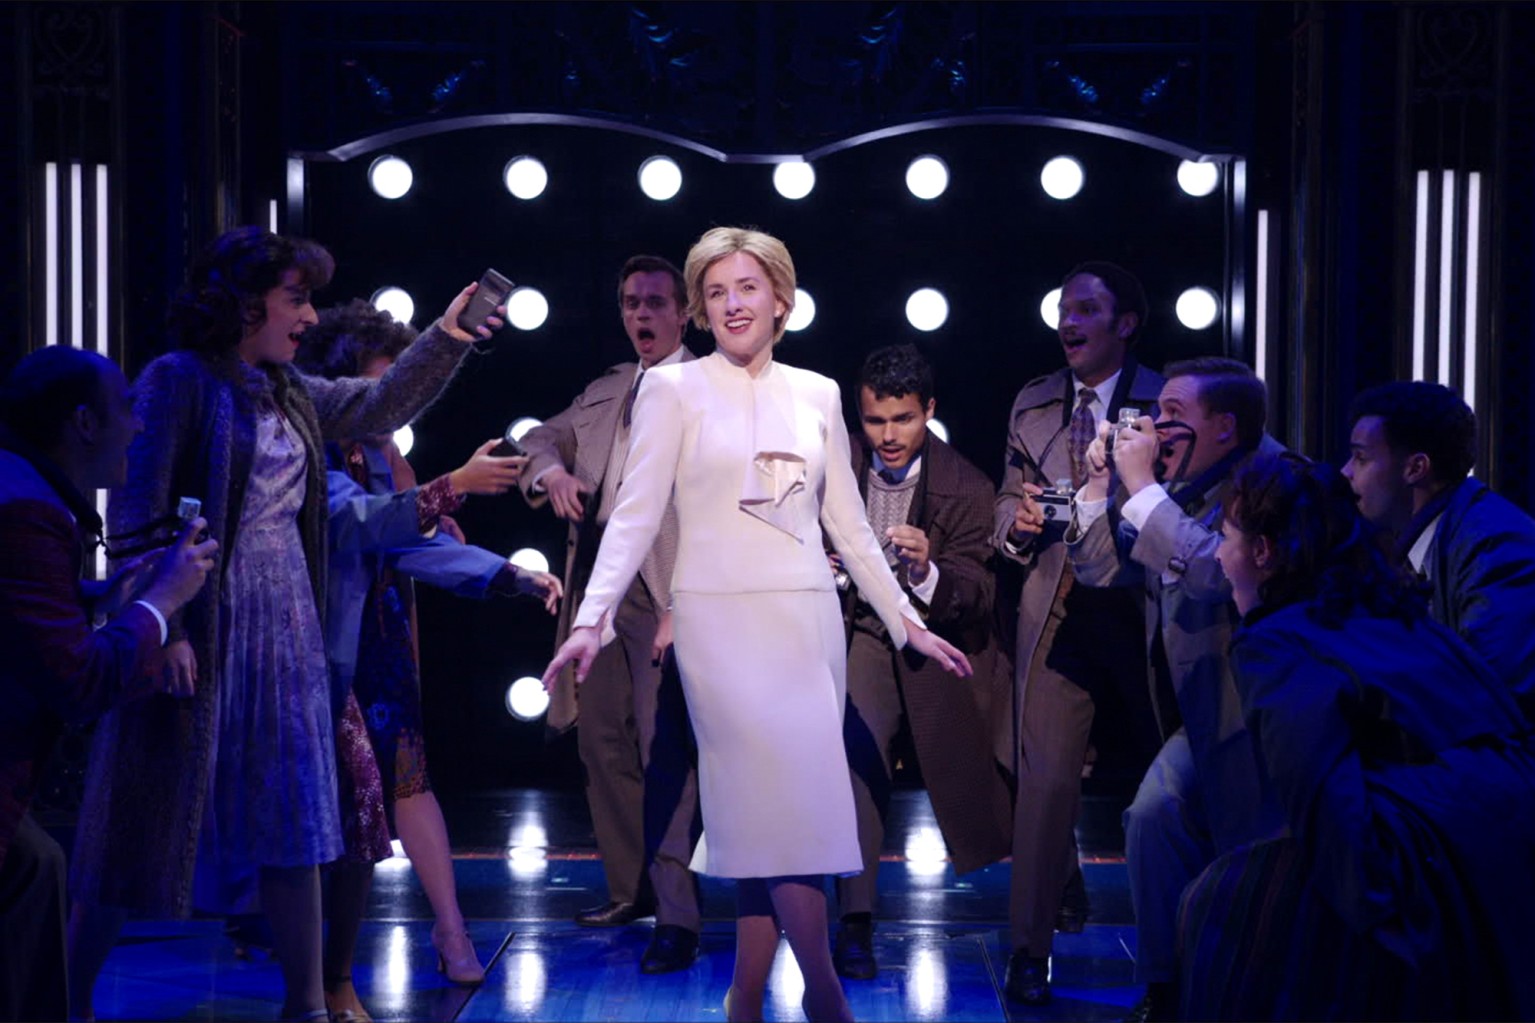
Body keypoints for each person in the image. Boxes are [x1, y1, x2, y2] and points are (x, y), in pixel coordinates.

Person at [542, 227, 973, 1023]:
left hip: (805, 625)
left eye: (746, 287)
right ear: (700, 309)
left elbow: (847, 524)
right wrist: (592, 619)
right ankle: (825, 996)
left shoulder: (816, 393)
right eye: (715, 292)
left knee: (776, 819)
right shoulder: (673, 390)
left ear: (781, 299)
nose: (731, 304)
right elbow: (634, 515)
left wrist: (905, 621)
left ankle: (745, 997)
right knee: (764, 809)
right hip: (717, 631)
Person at [66, 227, 497, 1022]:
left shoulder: (288, 388)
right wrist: (165, 626)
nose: (308, 316)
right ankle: (64, 999)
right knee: (137, 818)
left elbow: (378, 403)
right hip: (203, 620)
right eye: (294, 298)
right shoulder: (178, 380)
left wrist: (448, 334)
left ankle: (307, 1004)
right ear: (242, 302)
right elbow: (136, 511)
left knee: (295, 814)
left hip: (287, 623)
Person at [1181, 452, 1535, 1020]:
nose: (1220, 556)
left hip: (1430, 850)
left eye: (1225, 538)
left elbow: (1321, 792)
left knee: (1223, 908)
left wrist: (1389, 927)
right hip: (1513, 836)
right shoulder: (1395, 610)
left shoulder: (1275, 641)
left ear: (1263, 552)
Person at [298, 300, 559, 1013]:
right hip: (320, 650)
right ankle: (321, 973)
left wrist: (510, 576)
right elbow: (360, 525)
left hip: (379, 638)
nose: (394, 403)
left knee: (405, 786)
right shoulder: (312, 447)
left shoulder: (378, 453)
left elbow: (412, 544)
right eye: (382, 386)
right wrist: (454, 486)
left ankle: (447, 931)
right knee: (346, 809)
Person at [1065, 356, 1286, 1020]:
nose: (1157, 429)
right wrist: (1102, 486)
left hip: (1265, 713)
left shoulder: (1276, 482)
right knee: (1152, 815)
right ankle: (1166, 985)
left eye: (1173, 415)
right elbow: (1101, 570)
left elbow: (1218, 575)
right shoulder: (1180, 485)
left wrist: (1141, 487)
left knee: (1252, 859)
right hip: (1202, 713)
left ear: (1224, 426)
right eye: (1156, 412)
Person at [0, 346, 216, 1021]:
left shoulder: (21, 486)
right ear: (85, 422)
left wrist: (102, 598)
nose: (139, 425)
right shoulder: (26, 511)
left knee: (38, 866)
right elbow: (79, 682)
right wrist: (161, 603)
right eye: (126, 408)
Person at [518, 255, 703, 973]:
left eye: (655, 302)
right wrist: (552, 472)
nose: (641, 314)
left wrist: (684, 603)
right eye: (631, 302)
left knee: (666, 750)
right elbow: (539, 438)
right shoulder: (608, 389)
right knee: (600, 742)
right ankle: (633, 889)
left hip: (667, 592)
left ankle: (678, 915)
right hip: (602, 592)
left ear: (683, 313)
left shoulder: (705, 389)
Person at [992, 262, 1164, 1005]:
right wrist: (1017, 522)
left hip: (1143, 610)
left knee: (1171, 786)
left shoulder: (1168, 400)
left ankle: (1179, 960)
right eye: (1064, 309)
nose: (1069, 322)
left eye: (1087, 309)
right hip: (1060, 607)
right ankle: (1028, 951)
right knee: (1045, 784)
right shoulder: (1034, 403)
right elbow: (1006, 500)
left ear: (1125, 323)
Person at [831, 344, 1010, 980]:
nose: (888, 436)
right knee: (859, 757)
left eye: (902, 419)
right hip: (863, 630)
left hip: (942, 637)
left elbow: (979, 592)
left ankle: (1056, 885)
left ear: (928, 411)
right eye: (875, 420)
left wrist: (928, 571)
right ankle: (854, 920)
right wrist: (829, 570)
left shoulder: (966, 485)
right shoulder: (838, 464)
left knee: (1002, 766)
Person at [1343, 380, 1535, 708]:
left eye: (1360, 457)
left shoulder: (1494, 545)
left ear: (1416, 468)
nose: (1345, 472)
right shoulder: (1406, 545)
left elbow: (1489, 695)